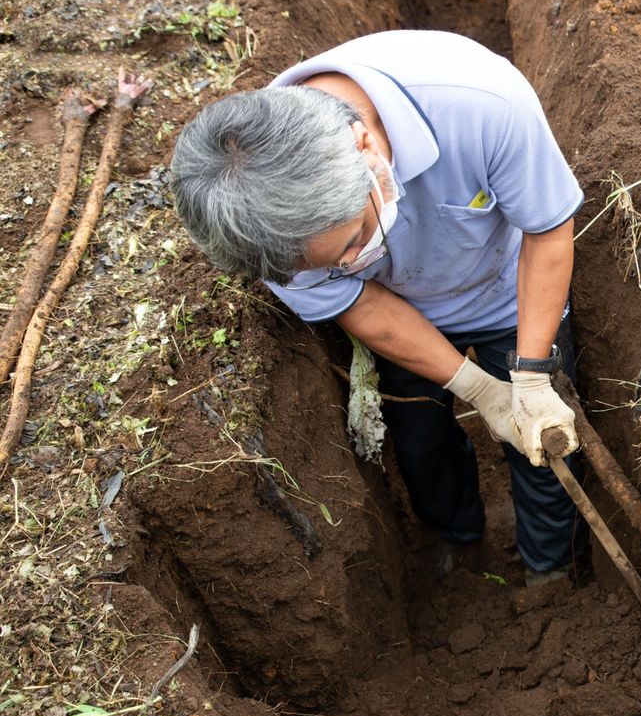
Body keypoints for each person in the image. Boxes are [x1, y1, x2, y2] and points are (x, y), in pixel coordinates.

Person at [168, 30, 591, 585]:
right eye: (325, 267)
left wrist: (529, 379)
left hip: (510, 293)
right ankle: (458, 541)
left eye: (352, 243)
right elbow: (360, 299)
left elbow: (547, 231)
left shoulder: (484, 106)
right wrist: (480, 389)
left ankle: (551, 568)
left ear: (363, 146)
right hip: (399, 314)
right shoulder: (255, 222)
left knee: (542, 449)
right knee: (420, 444)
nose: (345, 265)